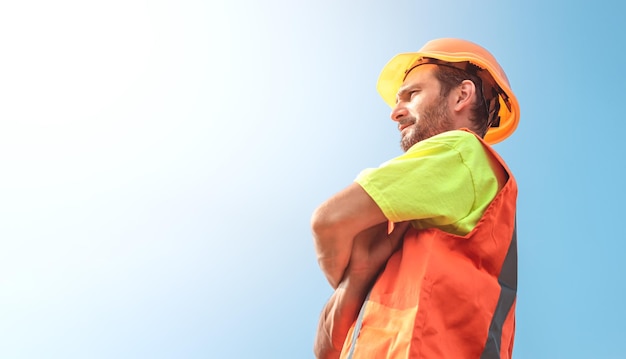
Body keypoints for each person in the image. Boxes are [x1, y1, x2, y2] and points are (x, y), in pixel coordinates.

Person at [311, 38, 520, 359]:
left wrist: (355, 277)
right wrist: (359, 276)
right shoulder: (417, 216)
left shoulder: (462, 152)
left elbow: (329, 220)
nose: (395, 112)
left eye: (412, 94)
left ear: (462, 95)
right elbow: (326, 348)